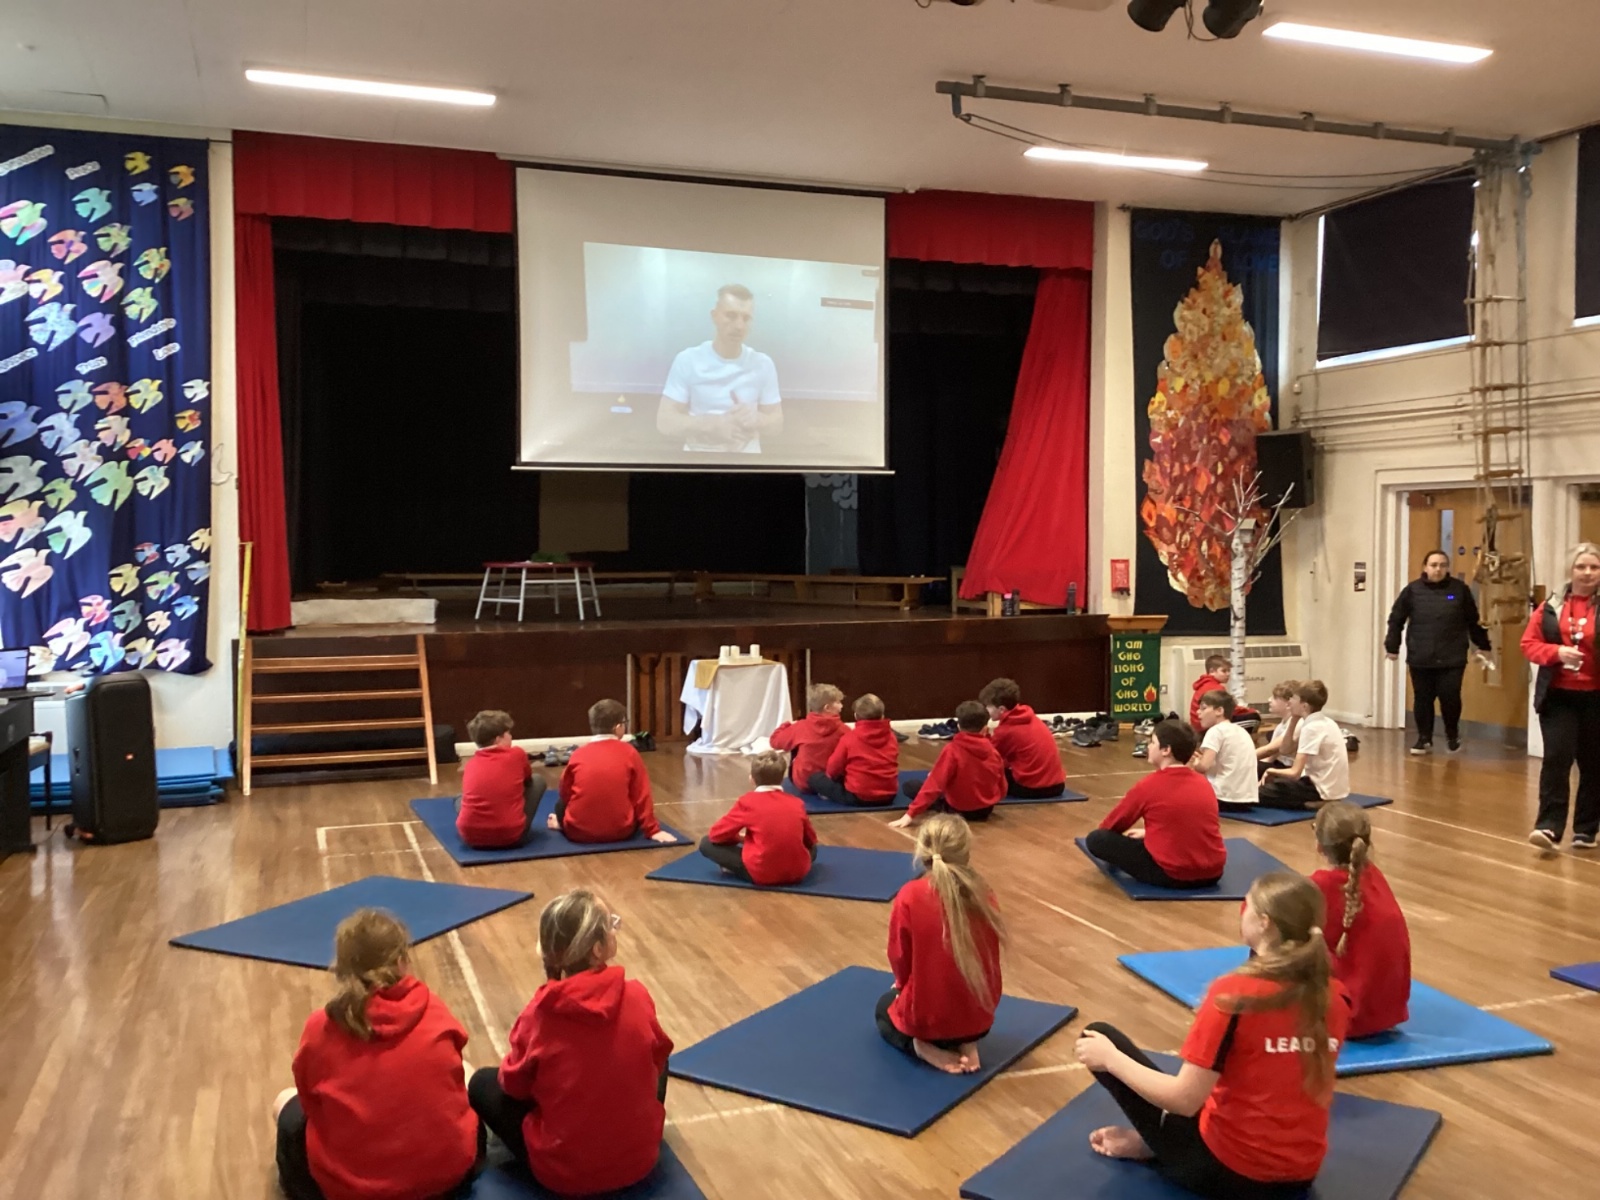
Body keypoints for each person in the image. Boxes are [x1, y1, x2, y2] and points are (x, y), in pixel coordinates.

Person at [1073, 873, 1351, 1199]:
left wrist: (1110, 1059)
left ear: (1264, 923)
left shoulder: (1234, 994)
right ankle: (1154, 1145)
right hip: (1302, 1172)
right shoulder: (1336, 995)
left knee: (1099, 1036)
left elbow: (1183, 1100)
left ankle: (1163, 1149)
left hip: (1231, 1174)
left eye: (1247, 904)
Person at [468, 891, 672, 1196]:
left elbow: (513, 1085)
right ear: (598, 950)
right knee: (657, 1049)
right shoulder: (638, 995)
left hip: (565, 1176)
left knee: (482, 1082)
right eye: (610, 925)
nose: (615, 929)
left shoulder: (538, 1015)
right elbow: (657, 1059)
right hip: (641, 1162)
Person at [274, 910, 483, 1200]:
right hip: (447, 1181)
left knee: (285, 1105)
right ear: (401, 961)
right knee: (467, 1072)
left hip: (357, 1192)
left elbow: (311, 1105)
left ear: (341, 968)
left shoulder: (320, 1028)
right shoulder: (433, 1009)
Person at [877, 814, 1005, 1074]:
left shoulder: (910, 895)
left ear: (922, 852)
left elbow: (899, 956)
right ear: (965, 853)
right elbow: (990, 957)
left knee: (882, 1009)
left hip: (927, 1023)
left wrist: (901, 985)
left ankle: (922, 1047)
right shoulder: (984, 893)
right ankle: (968, 1042)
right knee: (956, 1003)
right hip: (980, 1021)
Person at [1521, 541, 1600, 851]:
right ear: (1570, 570)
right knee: (1556, 759)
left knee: (1593, 763)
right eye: (1581, 566)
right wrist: (1557, 653)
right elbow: (1529, 644)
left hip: (1595, 697)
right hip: (1558, 697)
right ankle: (1549, 827)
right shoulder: (1550, 607)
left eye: (1594, 567)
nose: (1588, 572)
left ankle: (1586, 829)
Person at [1085, 719, 1226, 889]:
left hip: (1172, 874)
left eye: (1152, 742)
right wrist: (1150, 834)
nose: (1148, 746)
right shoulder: (1203, 783)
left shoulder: (1149, 785)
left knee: (1096, 839)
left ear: (1166, 750)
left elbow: (1111, 826)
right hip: (1213, 873)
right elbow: (1191, 824)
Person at [1311, 801, 1410, 1039]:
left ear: (1320, 845)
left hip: (1350, 1015)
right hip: (1390, 1011)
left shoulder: (1321, 885)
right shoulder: (1373, 874)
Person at [1384, 549, 1494, 755]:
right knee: (1423, 699)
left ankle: (1452, 736)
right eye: (1433, 565)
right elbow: (1396, 619)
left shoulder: (1459, 590)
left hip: (1452, 656)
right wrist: (1392, 647)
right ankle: (1424, 738)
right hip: (1421, 655)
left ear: (1447, 568)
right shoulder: (1412, 591)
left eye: (1442, 565)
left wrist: (1483, 645)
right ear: (1425, 567)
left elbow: (1473, 620)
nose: (1438, 569)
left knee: (1450, 697)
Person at [655, 283, 782, 454]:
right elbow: (664, 422)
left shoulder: (763, 364)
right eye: (731, 315)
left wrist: (758, 419)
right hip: (698, 458)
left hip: (748, 460)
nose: (739, 326)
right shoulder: (688, 360)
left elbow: (777, 425)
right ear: (714, 316)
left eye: (746, 318)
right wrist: (711, 424)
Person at [552, 700, 678, 843]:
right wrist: (653, 830)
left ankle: (561, 824)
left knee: (560, 804)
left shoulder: (578, 754)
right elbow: (642, 795)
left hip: (577, 832)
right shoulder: (630, 753)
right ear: (618, 727)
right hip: (622, 831)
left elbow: (565, 791)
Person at [699, 750, 819, 884]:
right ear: (781, 779)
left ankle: (735, 869)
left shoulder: (748, 802)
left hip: (763, 873)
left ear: (751, 779)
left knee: (706, 843)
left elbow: (716, 835)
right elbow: (811, 839)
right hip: (798, 871)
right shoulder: (796, 802)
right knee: (812, 849)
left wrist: (740, 839)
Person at [890, 701, 1005, 830]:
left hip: (958, 810)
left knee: (911, 786)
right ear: (985, 728)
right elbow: (1002, 785)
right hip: (985, 810)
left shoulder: (952, 750)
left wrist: (910, 814)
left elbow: (934, 784)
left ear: (959, 726)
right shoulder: (993, 752)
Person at [454, 710, 547, 850]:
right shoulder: (517, 754)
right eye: (508, 733)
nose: (511, 737)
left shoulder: (470, 764)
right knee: (538, 781)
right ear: (498, 739)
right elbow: (528, 780)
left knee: (459, 799)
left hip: (470, 836)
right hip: (510, 835)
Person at [1259, 681, 1350, 811]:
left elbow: (1294, 773)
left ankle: (1315, 802)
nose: (1289, 702)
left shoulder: (1312, 728)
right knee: (1273, 784)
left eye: (1293, 699)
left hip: (1320, 790)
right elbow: (1285, 750)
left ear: (1304, 706)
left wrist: (1271, 771)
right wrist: (1294, 720)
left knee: (1259, 793)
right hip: (1328, 787)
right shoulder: (1326, 722)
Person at [979, 677, 1068, 798]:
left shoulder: (1006, 731)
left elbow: (988, 758)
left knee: (983, 774)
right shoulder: (1030, 717)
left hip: (1032, 788)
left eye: (988, 707)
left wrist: (982, 735)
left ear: (1001, 709)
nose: (986, 710)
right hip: (1058, 785)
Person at [811, 693, 900, 807]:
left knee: (815, 778)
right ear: (882, 715)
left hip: (858, 796)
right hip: (889, 796)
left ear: (856, 716)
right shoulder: (892, 737)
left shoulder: (850, 738)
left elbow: (833, 768)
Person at [769, 683, 846, 792]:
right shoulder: (844, 731)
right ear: (827, 708)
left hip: (803, 782)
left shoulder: (800, 727)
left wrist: (787, 725)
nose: (841, 706)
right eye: (838, 702)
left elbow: (774, 741)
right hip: (830, 782)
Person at [1193, 690, 1260, 811]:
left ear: (1219, 711)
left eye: (1203, 708)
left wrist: (1196, 763)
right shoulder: (1241, 730)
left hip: (1224, 798)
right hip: (1248, 798)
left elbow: (1203, 767)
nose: (1198, 712)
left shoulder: (1215, 731)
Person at [1189, 655, 1259, 735]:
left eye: (1229, 671)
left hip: (1199, 726)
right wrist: (1250, 711)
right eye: (1224, 671)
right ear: (1212, 671)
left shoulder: (1206, 684)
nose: (1228, 674)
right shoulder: (1214, 687)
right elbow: (1230, 709)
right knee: (1254, 718)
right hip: (1205, 728)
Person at [1255, 680, 1301, 779]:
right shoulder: (1282, 724)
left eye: (1275, 697)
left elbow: (1270, 750)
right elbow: (1270, 758)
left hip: (1288, 767)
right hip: (1278, 763)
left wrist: (1243, 758)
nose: (1269, 700)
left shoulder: (1299, 723)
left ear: (1288, 703)